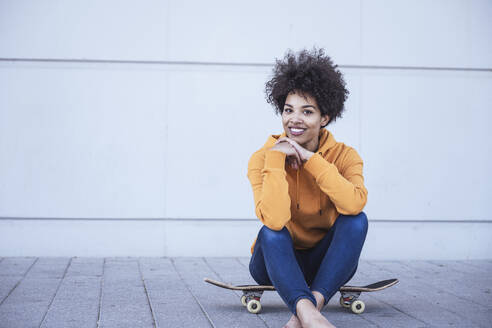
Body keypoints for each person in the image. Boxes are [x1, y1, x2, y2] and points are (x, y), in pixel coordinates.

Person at [247, 47, 369, 328]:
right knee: (271, 232)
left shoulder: (345, 157)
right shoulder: (262, 158)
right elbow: (275, 220)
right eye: (288, 110)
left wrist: (312, 161)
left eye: (307, 111)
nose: (294, 119)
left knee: (357, 221)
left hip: (326, 265)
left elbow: (353, 205)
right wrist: (277, 158)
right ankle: (311, 314)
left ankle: (304, 311)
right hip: (272, 263)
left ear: (324, 118)